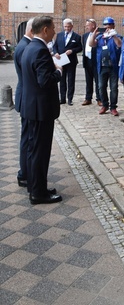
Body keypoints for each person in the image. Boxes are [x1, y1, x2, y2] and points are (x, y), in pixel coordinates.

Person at [21, 16, 63, 205]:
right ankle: (38, 194)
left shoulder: (30, 47)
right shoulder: (40, 50)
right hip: (41, 110)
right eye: (53, 28)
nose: (55, 31)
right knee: (40, 152)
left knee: (33, 150)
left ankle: (35, 185)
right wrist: (59, 72)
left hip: (32, 108)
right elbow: (44, 81)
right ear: (45, 30)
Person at [14, 17, 34, 187]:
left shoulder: (24, 45)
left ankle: (26, 172)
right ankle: (24, 173)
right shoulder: (24, 47)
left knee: (27, 137)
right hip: (26, 97)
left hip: (26, 96)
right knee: (27, 139)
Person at [89, 16, 122, 116]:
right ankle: (105, 104)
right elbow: (91, 44)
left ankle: (113, 107)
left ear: (113, 26)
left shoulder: (117, 36)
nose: (107, 27)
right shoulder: (100, 37)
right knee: (101, 87)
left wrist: (113, 35)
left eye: (109, 25)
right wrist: (94, 34)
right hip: (102, 66)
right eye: (105, 25)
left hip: (113, 67)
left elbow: (119, 45)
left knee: (114, 88)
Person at [53, 18, 82, 105]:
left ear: (72, 26)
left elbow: (80, 48)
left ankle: (70, 99)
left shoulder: (77, 37)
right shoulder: (59, 35)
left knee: (71, 80)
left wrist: (72, 51)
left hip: (71, 61)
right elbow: (55, 46)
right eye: (65, 26)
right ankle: (62, 98)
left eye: (68, 27)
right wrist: (56, 53)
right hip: (61, 60)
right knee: (62, 80)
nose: (67, 28)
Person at [81, 18, 101, 106]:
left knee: (98, 81)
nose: (86, 27)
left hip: (96, 60)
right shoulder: (84, 36)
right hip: (87, 60)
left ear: (93, 25)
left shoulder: (99, 35)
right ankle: (88, 98)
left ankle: (99, 98)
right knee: (88, 81)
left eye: (88, 25)